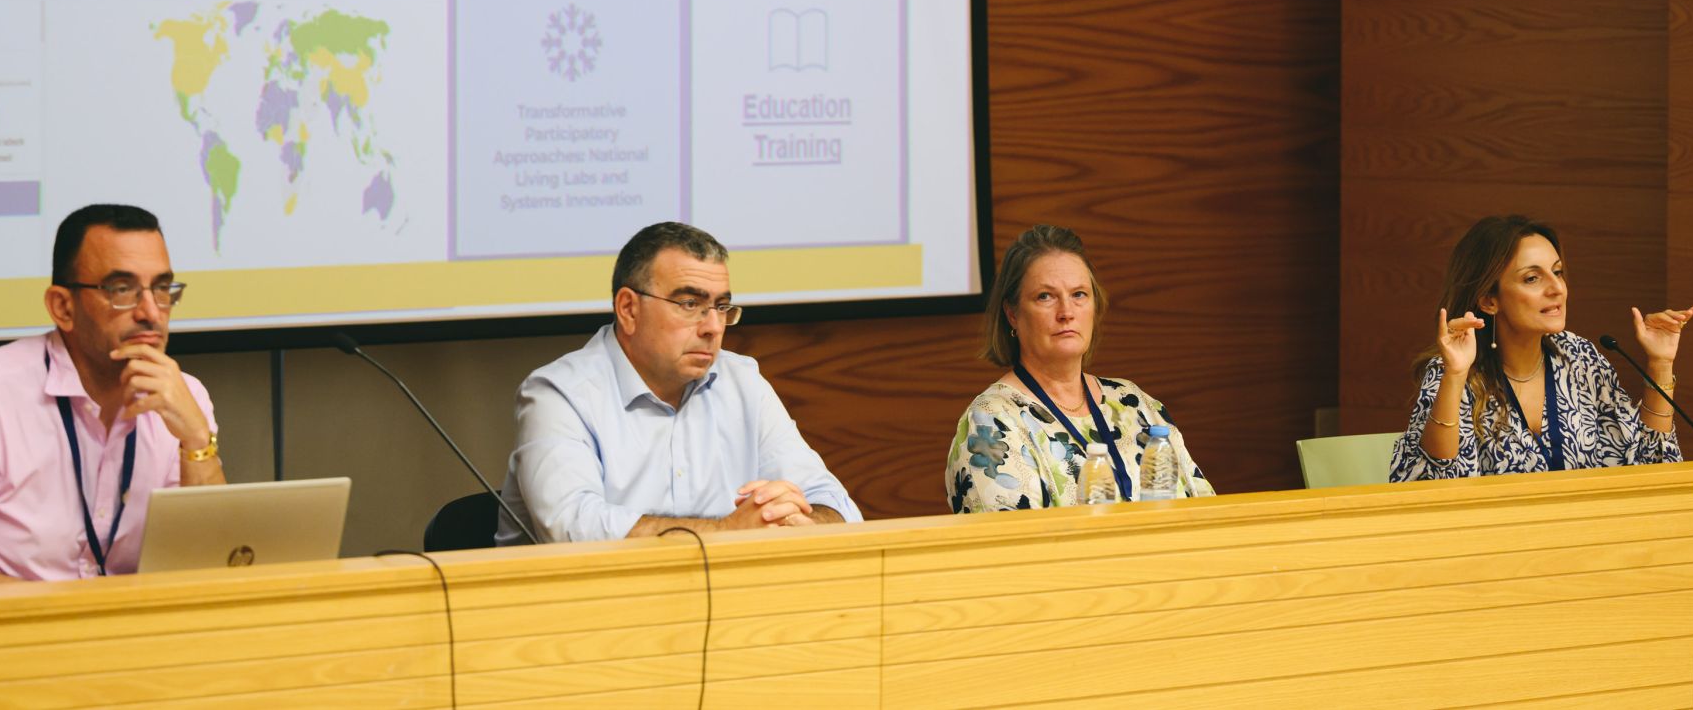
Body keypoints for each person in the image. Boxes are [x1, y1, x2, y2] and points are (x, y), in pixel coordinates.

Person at [0, 204, 222, 584]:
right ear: (63, 307)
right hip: (10, 620)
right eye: (122, 289)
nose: (151, 313)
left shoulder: (184, 397)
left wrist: (197, 442)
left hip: (136, 620)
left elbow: (211, 561)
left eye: (161, 289)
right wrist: (62, 610)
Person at [496, 221, 861, 543]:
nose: (713, 327)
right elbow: (572, 527)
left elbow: (837, 504)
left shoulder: (742, 382)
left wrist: (800, 521)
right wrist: (728, 532)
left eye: (721, 307)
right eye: (689, 304)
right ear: (628, 309)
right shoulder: (559, 394)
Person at [1389, 214, 1693, 482]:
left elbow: (1648, 463)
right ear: (1489, 300)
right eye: (1532, 278)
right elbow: (1435, 483)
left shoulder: (1579, 357)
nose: (1557, 288)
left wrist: (1660, 363)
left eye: (1557, 272)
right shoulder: (1452, 371)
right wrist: (1455, 375)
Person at [946, 224, 1212, 512]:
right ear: (1012, 313)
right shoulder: (990, 420)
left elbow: (1205, 510)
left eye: (1079, 294)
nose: (1066, 312)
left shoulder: (1134, 402)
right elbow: (1012, 539)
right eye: (1045, 296)